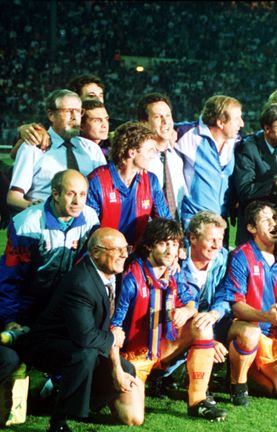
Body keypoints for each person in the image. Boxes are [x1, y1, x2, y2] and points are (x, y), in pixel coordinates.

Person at [21, 228, 143, 431]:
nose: (124, 254)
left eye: (126, 248)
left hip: (81, 342)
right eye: (117, 249)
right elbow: (85, 336)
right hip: (46, 345)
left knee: (126, 369)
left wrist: (116, 365)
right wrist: (112, 338)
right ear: (95, 252)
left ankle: (57, 401)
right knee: (84, 355)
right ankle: (58, 422)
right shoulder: (81, 283)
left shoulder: (113, 274)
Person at [111, 219, 227, 420]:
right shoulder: (132, 279)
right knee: (132, 418)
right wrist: (116, 369)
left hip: (162, 349)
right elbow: (114, 328)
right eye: (164, 243)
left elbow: (191, 301)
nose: (170, 251)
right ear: (149, 245)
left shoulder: (173, 272)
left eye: (174, 244)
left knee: (202, 324)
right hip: (134, 356)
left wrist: (188, 311)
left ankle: (198, 401)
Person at [198, 201, 277, 404]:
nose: (273, 223)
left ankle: (248, 372)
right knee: (251, 332)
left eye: (275, 218)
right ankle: (237, 385)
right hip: (241, 329)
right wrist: (267, 316)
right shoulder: (241, 256)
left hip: (269, 337)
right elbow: (235, 305)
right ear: (251, 227)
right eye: (266, 219)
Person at [0, 170, 99, 327]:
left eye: (82, 194)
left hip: (66, 305)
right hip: (28, 305)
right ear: (55, 194)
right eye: (70, 194)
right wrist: (9, 318)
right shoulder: (26, 224)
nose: (77, 201)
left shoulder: (90, 219)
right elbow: (10, 276)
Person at [8, 89, 106, 211]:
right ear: (51, 115)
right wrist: (35, 208)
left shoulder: (92, 149)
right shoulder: (33, 147)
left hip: (85, 222)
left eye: (78, 111)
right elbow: (13, 197)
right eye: (68, 111)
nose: (75, 117)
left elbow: (105, 192)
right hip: (44, 220)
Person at [86, 122, 171, 246]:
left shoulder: (151, 181)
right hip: (104, 254)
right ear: (132, 153)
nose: (153, 156)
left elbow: (165, 223)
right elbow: (88, 230)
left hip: (136, 256)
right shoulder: (97, 181)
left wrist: (175, 246)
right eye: (150, 150)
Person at [232, 104, 277, 245]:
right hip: (256, 229)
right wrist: (276, 181)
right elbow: (245, 190)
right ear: (267, 129)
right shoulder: (249, 148)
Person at [176, 95, 244, 228]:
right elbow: (157, 133)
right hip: (195, 224)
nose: (242, 123)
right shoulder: (187, 134)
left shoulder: (236, 142)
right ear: (220, 123)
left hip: (221, 223)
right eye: (237, 119)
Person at [137, 93, 186, 220]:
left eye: (168, 116)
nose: (165, 122)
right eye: (158, 117)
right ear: (144, 122)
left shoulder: (178, 155)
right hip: (147, 231)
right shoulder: (138, 158)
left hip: (177, 230)